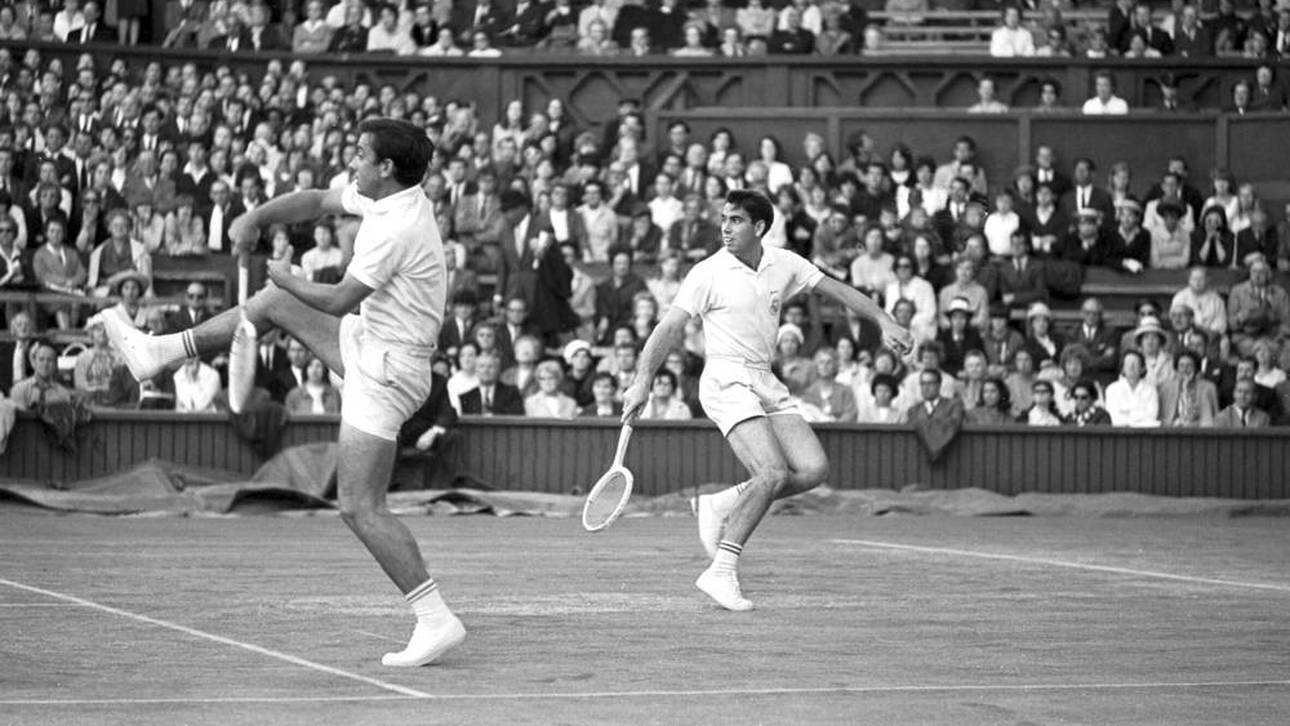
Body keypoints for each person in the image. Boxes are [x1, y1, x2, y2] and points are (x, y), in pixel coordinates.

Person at [100, 119, 467, 668]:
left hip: (388, 371)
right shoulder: (390, 196)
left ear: (386, 168)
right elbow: (319, 198)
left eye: (361, 153)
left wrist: (286, 273)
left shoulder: (399, 226)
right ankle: (161, 352)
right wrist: (255, 215)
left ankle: (435, 619)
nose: (353, 160)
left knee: (359, 506)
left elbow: (340, 298)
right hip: (374, 346)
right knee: (271, 305)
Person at [622, 189, 912, 611]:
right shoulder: (706, 272)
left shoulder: (785, 262)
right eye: (723, 218)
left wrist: (884, 320)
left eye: (735, 220)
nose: (724, 227)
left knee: (812, 469)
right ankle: (721, 570)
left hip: (764, 378)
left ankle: (723, 501)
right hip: (725, 377)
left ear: (759, 228)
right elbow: (667, 329)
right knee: (773, 471)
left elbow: (839, 290)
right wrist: (641, 381)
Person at [1158, 350, 1219, 427]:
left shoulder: (1208, 388)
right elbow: (1160, 419)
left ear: (1196, 368)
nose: (1185, 369)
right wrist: (1174, 423)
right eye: (1181, 366)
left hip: (1200, 433)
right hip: (1172, 432)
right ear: (1176, 368)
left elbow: (1214, 418)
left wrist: (1193, 425)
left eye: (1189, 365)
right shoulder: (1166, 388)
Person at [10, 339, 72, 410]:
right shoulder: (19, 390)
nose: (45, 364)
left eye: (49, 360)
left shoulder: (63, 395)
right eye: (41, 359)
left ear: (55, 365)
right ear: (34, 362)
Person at [1104, 350, 1160, 427]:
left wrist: (1127, 413)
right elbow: (1113, 417)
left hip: (1144, 433)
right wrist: (1138, 413)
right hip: (1119, 433)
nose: (1131, 366)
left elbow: (1151, 416)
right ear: (1123, 368)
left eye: (1135, 363)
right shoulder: (1112, 389)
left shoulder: (1150, 390)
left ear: (1142, 368)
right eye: (1128, 363)